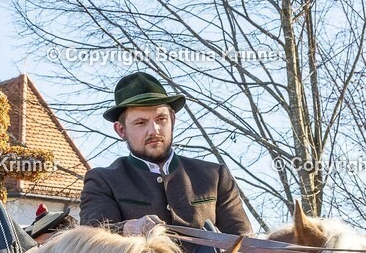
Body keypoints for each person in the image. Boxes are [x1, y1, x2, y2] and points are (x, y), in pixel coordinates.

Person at [80, 71, 254, 238]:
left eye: (161, 119)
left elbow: (245, 243)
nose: (154, 130)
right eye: (140, 123)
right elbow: (92, 238)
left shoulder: (215, 176)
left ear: (172, 119)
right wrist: (127, 228)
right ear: (121, 130)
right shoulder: (103, 180)